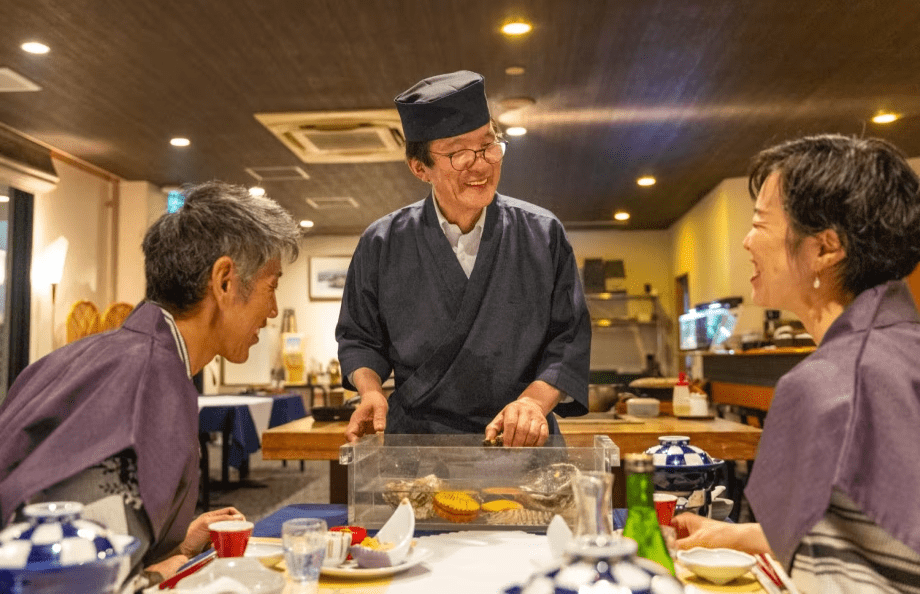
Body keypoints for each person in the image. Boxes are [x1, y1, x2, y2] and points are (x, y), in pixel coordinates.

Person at [0, 182, 301, 590]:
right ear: (225, 281)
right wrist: (160, 569)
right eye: (272, 286)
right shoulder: (148, 381)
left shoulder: (88, 356)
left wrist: (175, 541)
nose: (273, 310)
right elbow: (72, 578)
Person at [673, 134, 920, 592]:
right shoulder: (902, 346)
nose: (747, 241)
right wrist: (740, 536)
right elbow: (878, 534)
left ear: (825, 249)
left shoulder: (829, 383)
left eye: (761, 223)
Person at [336, 70, 591, 447]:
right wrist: (371, 390)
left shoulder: (542, 233)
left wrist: (533, 404)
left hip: (519, 436)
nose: (482, 164)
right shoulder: (383, 242)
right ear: (420, 168)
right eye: (458, 153)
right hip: (419, 445)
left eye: (488, 145)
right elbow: (360, 338)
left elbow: (568, 339)